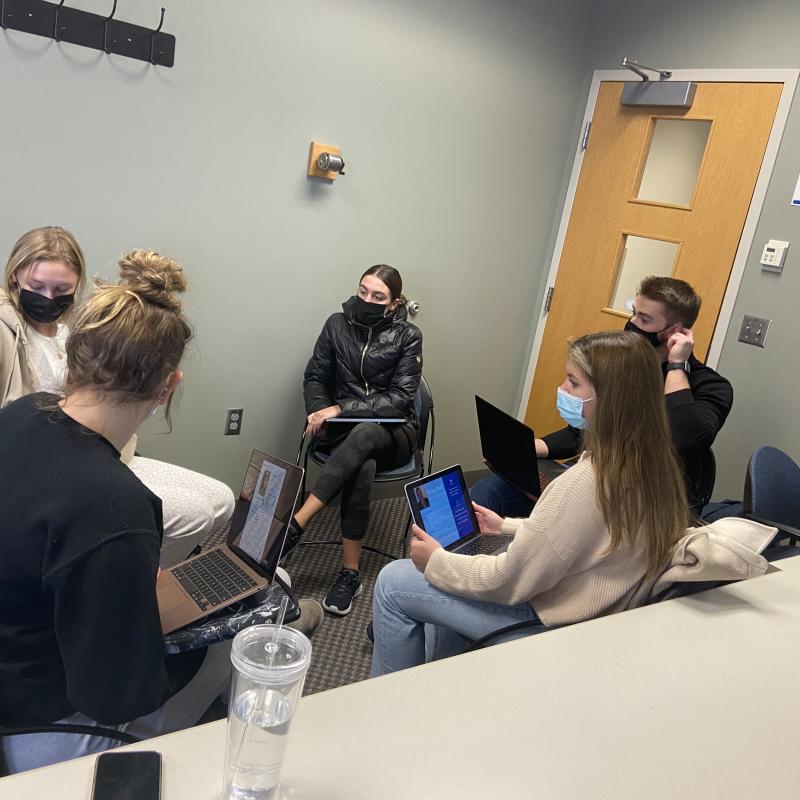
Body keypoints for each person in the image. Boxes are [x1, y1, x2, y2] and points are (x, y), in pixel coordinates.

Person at [0, 251, 231, 773]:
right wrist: (177, 638)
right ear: (168, 387)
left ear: (75, 356)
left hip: (15, 650)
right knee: (223, 641)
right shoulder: (115, 508)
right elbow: (118, 697)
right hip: (32, 720)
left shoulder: (18, 415)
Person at [371, 330, 689, 676]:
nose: (563, 391)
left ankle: (388, 711)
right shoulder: (653, 467)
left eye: (573, 383)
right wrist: (504, 526)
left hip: (550, 621)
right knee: (452, 581)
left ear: (610, 399)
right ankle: (443, 685)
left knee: (394, 581)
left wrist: (436, 561)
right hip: (597, 613)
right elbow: (585, 535)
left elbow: (508, 580)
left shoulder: (585, 482)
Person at [0, 227, 235, 566]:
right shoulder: (7, 337)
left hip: (103, 450)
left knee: (222, 499)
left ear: (77, 286)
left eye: (61, 289)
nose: (48, 298)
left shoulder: (72, 331)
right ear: (14, 278)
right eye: (37, 288)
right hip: (45, 466)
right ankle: (138, 581)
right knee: (192, 514)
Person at [471, 276, 733, 517]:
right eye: (633, 313)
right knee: (491, 490)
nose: (631, 324)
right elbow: (584, 431)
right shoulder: (624, 369)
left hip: (648, 504)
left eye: (644, 320)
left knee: (552, 507)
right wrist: (525, 449)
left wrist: (676, 366)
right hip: (600, 479)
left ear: (672, 331)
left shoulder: (711, 387)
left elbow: (684, 437)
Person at [287, 264, 423, 616]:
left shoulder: (408, 336)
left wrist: (340, 409)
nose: (367, 300)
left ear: (393, 304)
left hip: (394, 432)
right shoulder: (336, 324)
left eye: (378, 296)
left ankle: (297, 524)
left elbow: (399, 400)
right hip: (347, 434)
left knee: (367, 433)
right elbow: (315, 376)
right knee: (362, 465)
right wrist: (320, 411)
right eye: (363, 291)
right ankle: (350, 573)